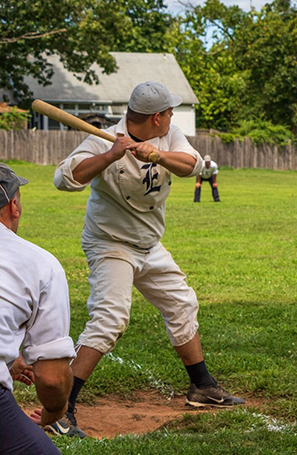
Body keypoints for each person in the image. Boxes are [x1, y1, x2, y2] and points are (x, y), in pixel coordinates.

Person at [52, 81, 244, 437]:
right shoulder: (103, 140)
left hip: (149, 244)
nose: (173, 116)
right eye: (169, 112)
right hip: (111, 244)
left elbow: (192, 165)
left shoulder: (170, 136)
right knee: (110, 319)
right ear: (156, 117)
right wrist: (111, 155)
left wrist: (156, 155)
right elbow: (63, 179)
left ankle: (201, 387)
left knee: (182, 303)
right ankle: (61, 408)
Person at [0, 164, 76, 454]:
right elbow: (53, 379)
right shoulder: (40, 264)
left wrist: (7, 359)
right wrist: (55, 411)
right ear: (14, 205)